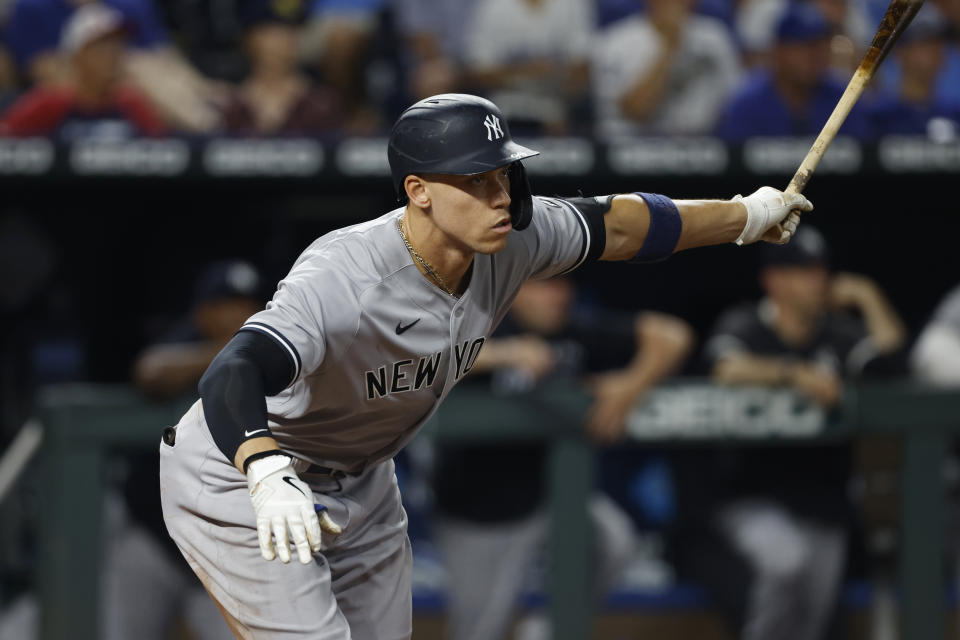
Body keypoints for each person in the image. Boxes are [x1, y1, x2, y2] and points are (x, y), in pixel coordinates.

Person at [159, 92, 812, 638]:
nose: (499, 195)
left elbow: (619, 224)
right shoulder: (345, 275)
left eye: (502, 174)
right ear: (418, 192)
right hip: (241, 474)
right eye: (474, 181)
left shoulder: (513, 242)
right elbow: (235, 368)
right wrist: (267, 471)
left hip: (360, 479)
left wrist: (747, 216)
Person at [674, 225, 906, 640]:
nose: (818, 280)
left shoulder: (839, 334)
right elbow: (725, 368)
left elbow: (894, 366)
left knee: (812, 621)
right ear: (774, 280)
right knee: (785, 563)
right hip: (752, 495)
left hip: (825, 501)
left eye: (820, 270)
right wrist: (793, 374)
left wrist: (869, 297)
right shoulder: (747, 323)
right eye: (804, 271)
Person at [432, 276, 693, 640]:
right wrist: (505, 354)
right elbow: (421, 355)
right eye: (544, 286)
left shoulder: (577, 329)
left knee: (613, 539)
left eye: (563, 286)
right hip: (480, 509)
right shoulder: (485, 320)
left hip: (553, 495)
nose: (558, 296)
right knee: (480, 631)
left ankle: (545, 631)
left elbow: (672, 335)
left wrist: (631, 385)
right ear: (515, 290)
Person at [107, 261, 265, 640]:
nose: (242, 313)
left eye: (249, 303)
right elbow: (150, 372)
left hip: (225, 553)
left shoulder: (275, 349)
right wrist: (234, 356)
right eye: (228, 303)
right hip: (154, 540)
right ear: (203, 312)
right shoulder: (187, 341)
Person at [0, 4, 164, 139]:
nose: (114, 55)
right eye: (103, 47)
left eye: (119, 46)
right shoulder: (50, 102)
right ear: (77, 57)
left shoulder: (131, 103)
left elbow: (165, 152)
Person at [717, 2, 872, 141]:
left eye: (820, 45)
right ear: (778, 52)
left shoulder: (843, 100)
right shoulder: (747, 106)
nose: (815, 55)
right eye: (804, 47)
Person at [593, 0, 741, 137]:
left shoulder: (715, 37)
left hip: (705, 145)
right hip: (635, 148)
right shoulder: (617, 42)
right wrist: (670, 48)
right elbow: (635, 110)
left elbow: (734, 104)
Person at [461, 0, 595, 134]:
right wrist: (525, 73)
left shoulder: (572, 4)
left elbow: (583, 70)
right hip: (504, 107)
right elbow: (477, 72)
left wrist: (554, 75)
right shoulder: (493, 6)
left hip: (555, 107)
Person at [219, 0, 342, 136]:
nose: (283, 41)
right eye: (271, 32)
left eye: (291, 31)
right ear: (249, 38)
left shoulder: (321, 105)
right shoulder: (229, 105)